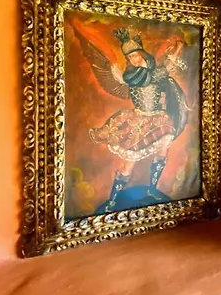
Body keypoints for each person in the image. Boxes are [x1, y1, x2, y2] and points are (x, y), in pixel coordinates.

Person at [75, 26, 189, 213]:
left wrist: (178, 47)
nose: (133, 60)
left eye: (135, 55)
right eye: (129, 58)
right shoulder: (129, 77)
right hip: (138, 120)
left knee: (163, 150)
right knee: (128, 163)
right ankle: (113, 201)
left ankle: (152, 189)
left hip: (159, 119)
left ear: (143, 54)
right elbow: (161, 69)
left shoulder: (157, 72)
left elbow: (169, 65)